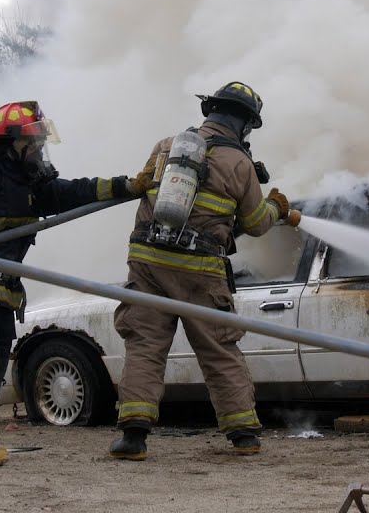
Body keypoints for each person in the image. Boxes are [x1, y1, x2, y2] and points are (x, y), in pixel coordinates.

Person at [0, 100, 144, 467]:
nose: (39, 150)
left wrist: (126, 186)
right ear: (14, 145)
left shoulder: (32, 188)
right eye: (33, 143)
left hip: (3, 294)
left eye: (41, 143)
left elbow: (76, 192)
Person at [109, 81, 301, 461]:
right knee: (218, 349)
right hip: (199, 269)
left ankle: (133, 438)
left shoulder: (166, 146)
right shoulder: (239, 164)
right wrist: (277, 207)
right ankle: (244, 434)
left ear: (210, 111)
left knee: (145, 346)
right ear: (244, 124)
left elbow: (143, 185)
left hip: (148, 262)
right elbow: (256, 224)